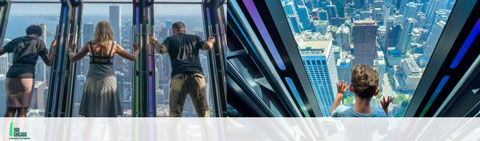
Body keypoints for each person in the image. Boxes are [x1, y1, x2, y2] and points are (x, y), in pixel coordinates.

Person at [68, 21, 139, 117]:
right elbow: (133, 58)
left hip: (92, 81)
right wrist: (138, 50)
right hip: (109, 82)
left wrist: (70, 50)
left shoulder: (90, 45)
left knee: (90, 116)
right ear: (110, 31)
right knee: (111, 115)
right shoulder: (114, 46)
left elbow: (73, 58)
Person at [150, 22, 215, 117]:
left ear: (174, 31)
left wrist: (154, 41)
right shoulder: (195, 38)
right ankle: (208, 132)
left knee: (175, 113)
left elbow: (161, 50)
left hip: (178, 77)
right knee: (203, 112)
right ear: (184, 30)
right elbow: (208, 46)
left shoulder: (170, 39)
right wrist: (212, 40)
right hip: (197, 76)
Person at [0, 25, 56, 117]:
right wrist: (53, 47)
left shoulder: (16, 40)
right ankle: (18, 132)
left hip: (11, 75)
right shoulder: (39, 42)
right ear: (38, 34)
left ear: (27, 32)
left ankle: (6, 132)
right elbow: (49, 62)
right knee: (22, 110)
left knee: (10, 110)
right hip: (27, 76)